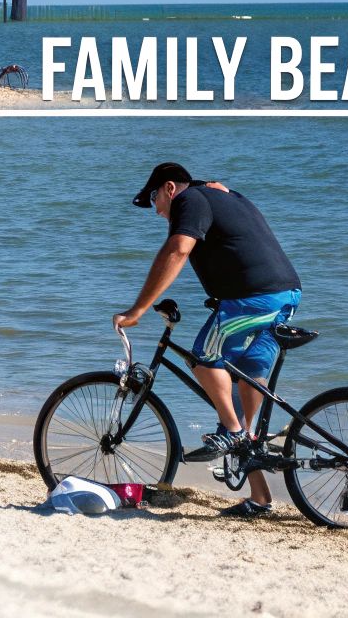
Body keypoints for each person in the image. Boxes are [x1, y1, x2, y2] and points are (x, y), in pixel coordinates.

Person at [115, 162, 303, 519]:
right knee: (241, 385)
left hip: (255, 298)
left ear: (170, 188)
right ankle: (260, 497)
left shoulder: (190, 200)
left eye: (155, 197)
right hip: (286, 294)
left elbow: (178, 251)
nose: (156, 209)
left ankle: (232, 432)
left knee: (204, 359)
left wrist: (137, 309)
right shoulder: (221, 195)